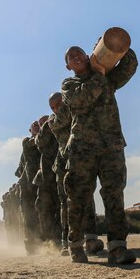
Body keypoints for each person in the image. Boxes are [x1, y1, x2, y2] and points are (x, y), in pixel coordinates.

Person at [61, 45, 138, 264]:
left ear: (88, 56)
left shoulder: (107, 78)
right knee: (79, 198)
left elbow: (129, 67)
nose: (77, 57)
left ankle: (117, 248)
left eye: (80, 53)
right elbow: (82, 99)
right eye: (71, 57)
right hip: (82, 150)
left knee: (114, 194)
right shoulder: (69, 85)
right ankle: (76, 245)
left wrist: (115, 47)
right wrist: (100, 74)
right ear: (68, 66)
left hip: (111, 146)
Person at [48, 92, 104, 257]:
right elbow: (65, 119)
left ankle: (91, 239)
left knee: (88, 199)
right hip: (64, 164)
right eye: (53, 107)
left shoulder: (74, 109)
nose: (56, 109)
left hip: (83, 159)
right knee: (67, 204)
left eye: (58, 104)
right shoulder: (53, 120)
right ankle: (68, 242)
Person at [34, 115, 61, 246]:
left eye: (44, 122)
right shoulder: (41, 135)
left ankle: (59, 238)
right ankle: (49, 239)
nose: (43, 125)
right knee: (44, 208)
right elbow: (39, 142)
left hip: (59, 172)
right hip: (45, 177)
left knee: (60, 206)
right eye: (41, 124)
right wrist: (45, 127)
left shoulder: (58, 126)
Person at [16, 121, 42, 254]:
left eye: (39, 126)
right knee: (29, 216)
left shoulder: (45, 141)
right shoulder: (27, 141)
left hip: (40, 183)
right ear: (30, 130)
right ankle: (30, 247)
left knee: (41, 215)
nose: (37, 127)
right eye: (35, 126)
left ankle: (44, 245)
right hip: (27, 186)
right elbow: (35, 141)